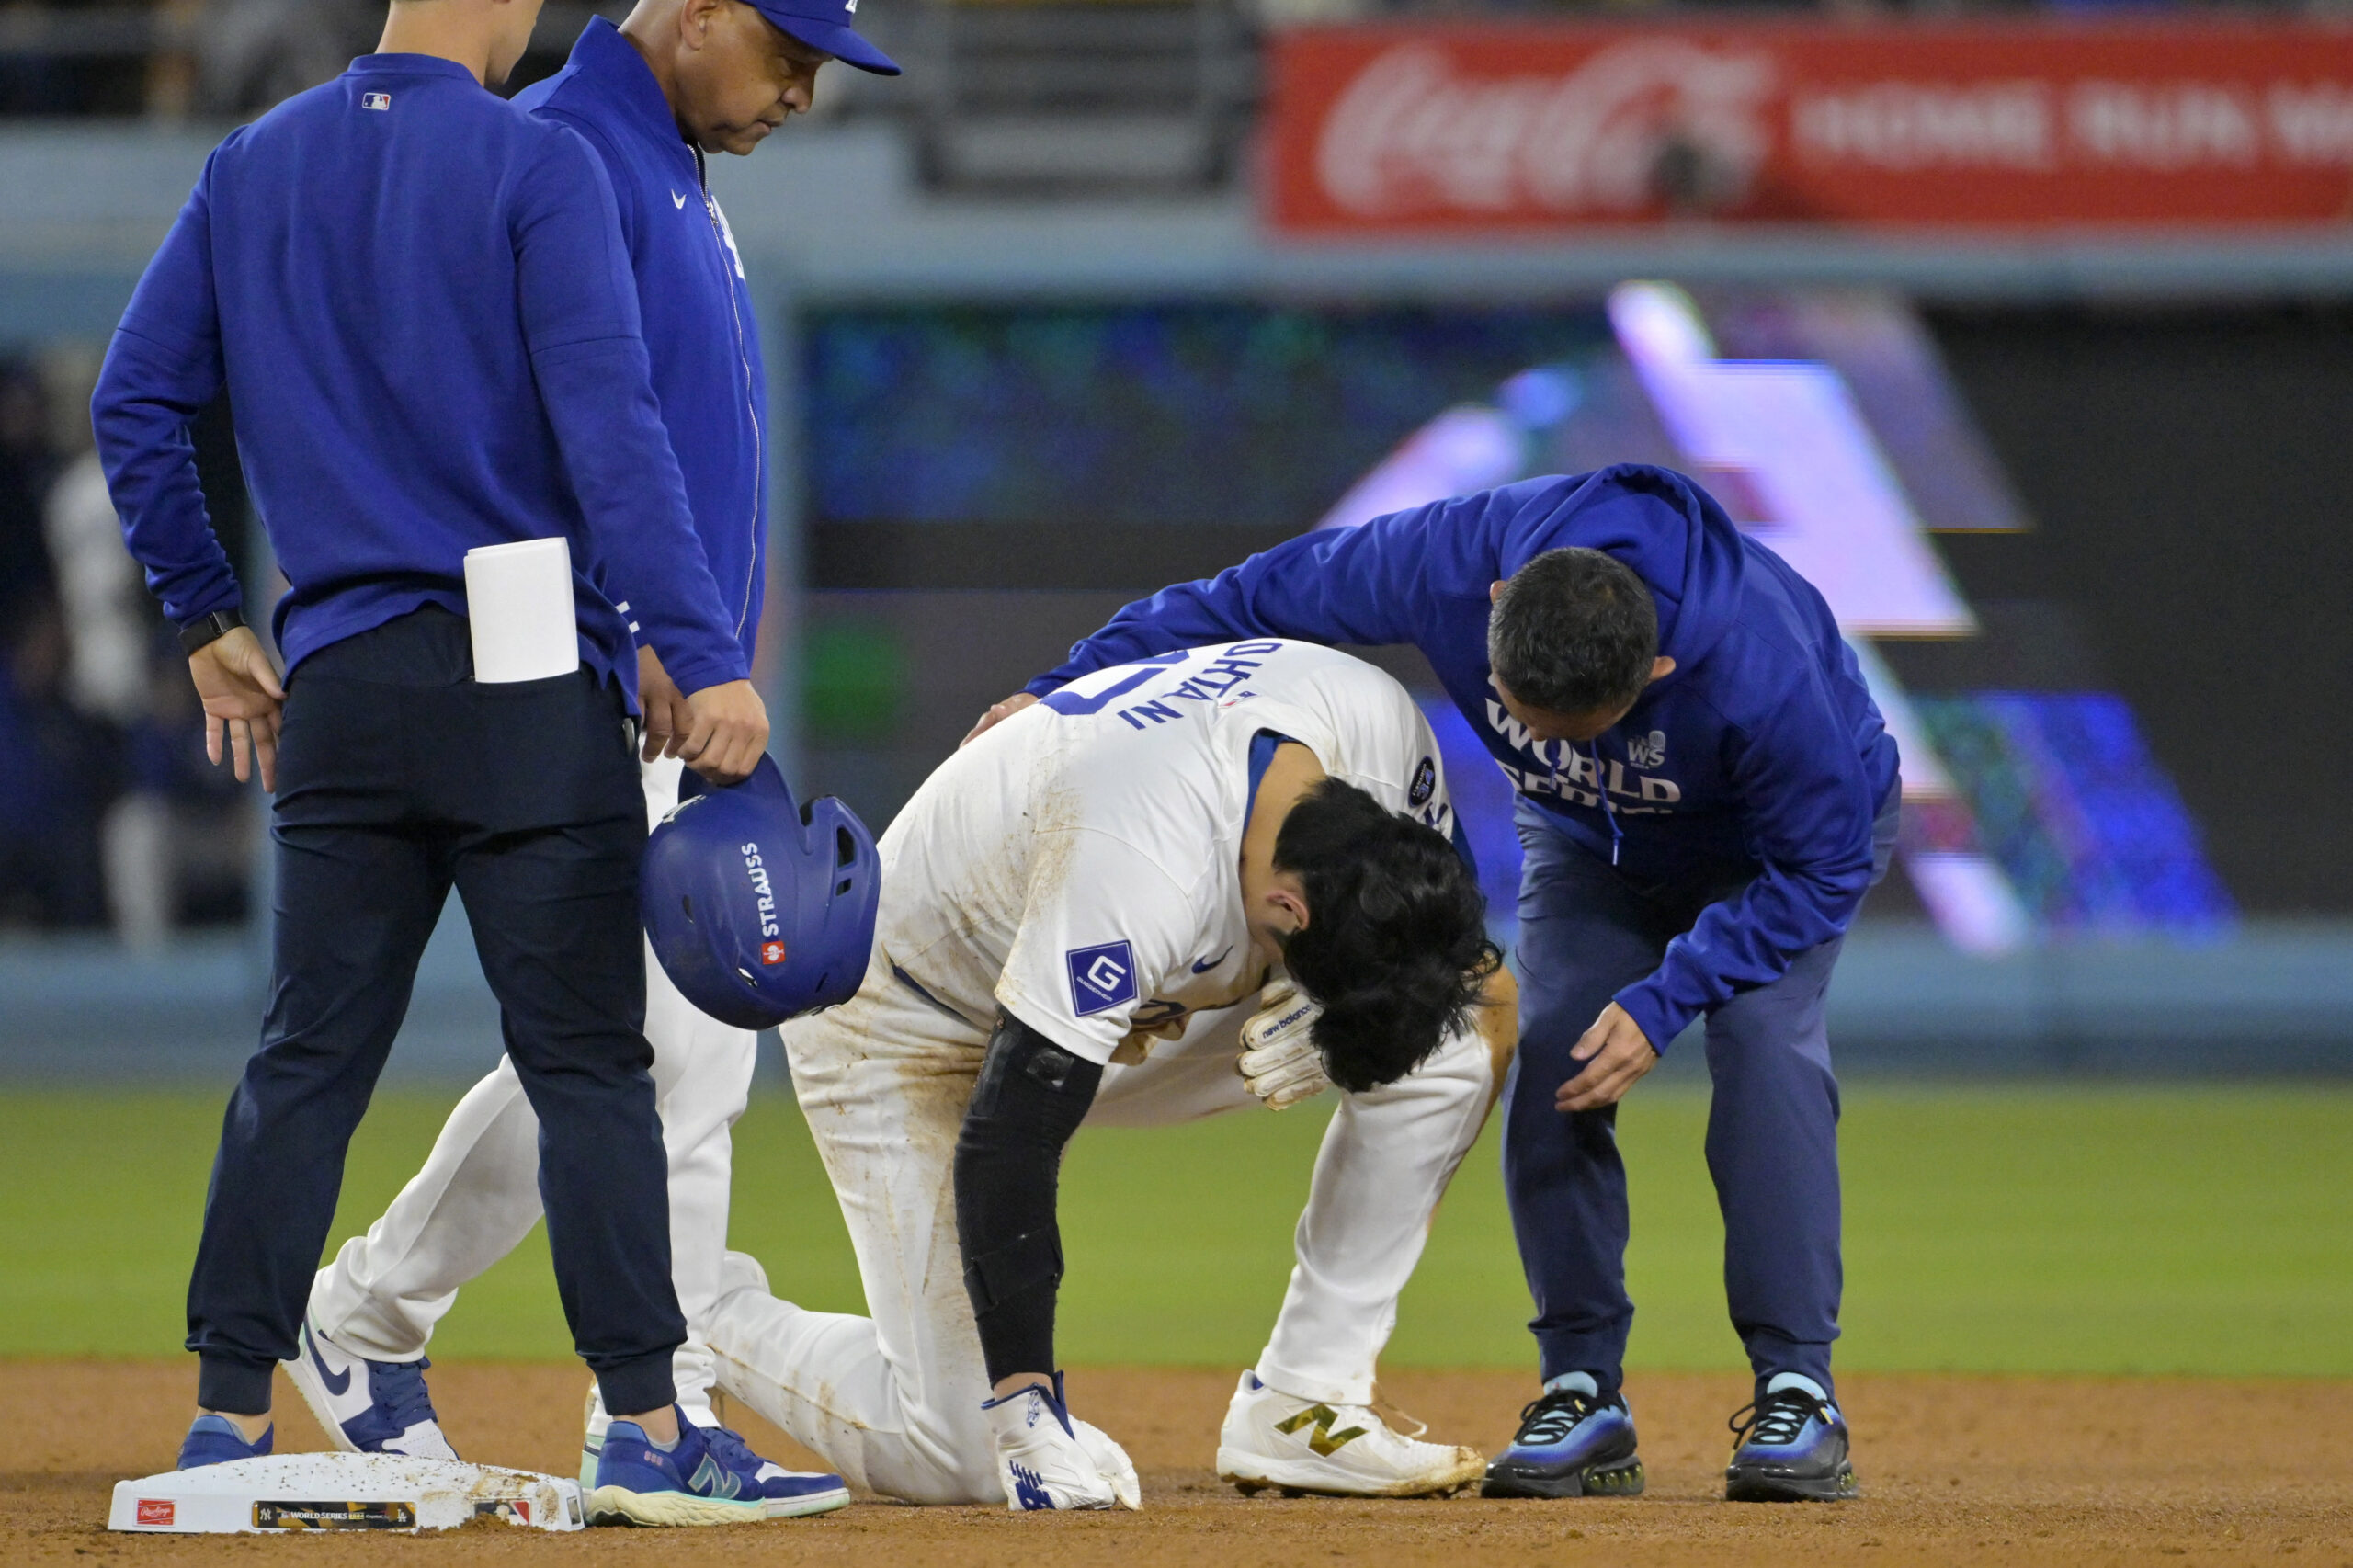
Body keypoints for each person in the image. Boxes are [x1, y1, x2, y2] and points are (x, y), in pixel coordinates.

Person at [89, 0, 779, 1527]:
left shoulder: (249, 163)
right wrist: (703, 646)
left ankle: (222, 1423)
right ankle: (652, 1428)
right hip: (526, 679)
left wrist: (207, 618)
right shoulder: (542, 168)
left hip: (336, 683)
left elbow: (134, 400)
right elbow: (613, 429)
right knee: (591, 1067)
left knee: (303, 1062)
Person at [964, 464, 1902, 1505]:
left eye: (1571, 729)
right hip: (1592, 846)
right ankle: (1582, 1387)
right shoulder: (1448, 561)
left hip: (1772, 855)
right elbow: (1244, 596)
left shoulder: (1761, 666)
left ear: (1663, 665)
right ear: (1495, 607)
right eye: (1523, 715)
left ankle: (1796, 1389)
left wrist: (1668, 995)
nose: (1539, 742)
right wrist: (1064, 690)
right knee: (1553, 1049)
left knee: (1765, 1049)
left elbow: (1818, 871)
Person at [281, 0, 899, 1524]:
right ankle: (650, 1411)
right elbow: (485, 437)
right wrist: (612, 628)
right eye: (791, 55)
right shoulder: (560, 147)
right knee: (655, 1063)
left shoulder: (664, 163)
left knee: (634, 1057)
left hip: (670, 691)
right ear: (693, 13)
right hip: (604, 680)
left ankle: (367, 1315)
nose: (805, 93)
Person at [710, 639, 1515, 1509]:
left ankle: (1306, 1399)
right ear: (1290, 908)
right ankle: (698, 1312)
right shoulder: (1141, 861)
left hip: (1125, 980)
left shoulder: (1379, 730)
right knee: (955, 1457)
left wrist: (1323, 1001)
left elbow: (1443, 956)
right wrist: (1026, 1405)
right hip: (902, 1022)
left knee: (1462, 1027)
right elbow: (1010, 1132)